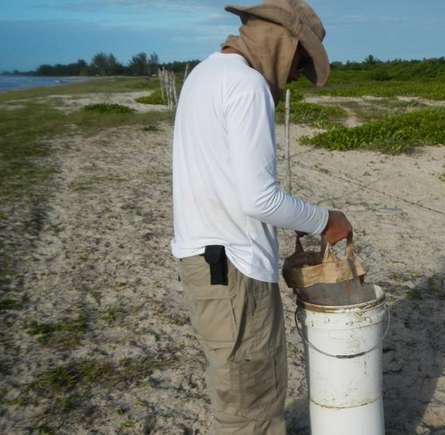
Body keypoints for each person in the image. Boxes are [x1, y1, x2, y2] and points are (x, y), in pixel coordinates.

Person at [170, 1, 351, 433]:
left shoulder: (204, 73)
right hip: (233, 266)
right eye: (299, 63)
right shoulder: (247, 85)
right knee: (252, 405)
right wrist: (325, 220)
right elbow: (259, 199)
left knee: (236, 393)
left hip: (209, 261)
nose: (292, 78)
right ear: (283, 43)